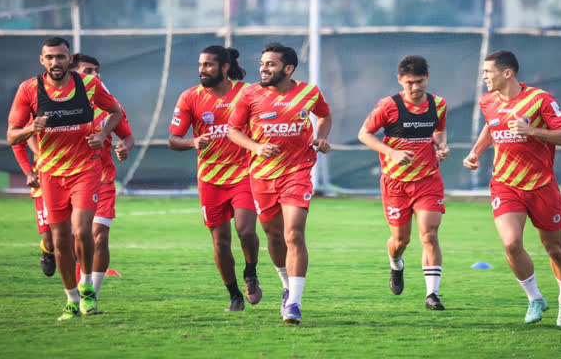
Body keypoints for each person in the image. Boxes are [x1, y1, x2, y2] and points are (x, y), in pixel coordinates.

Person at [7, 37, 123, 321]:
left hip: (86, 169)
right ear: (42, 60)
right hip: (50, 174)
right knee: (60, 241)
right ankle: (71, 300)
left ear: (69, 58)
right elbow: (11, 135)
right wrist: (31, 128)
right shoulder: (29, 89)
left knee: (82, 230)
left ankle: (86, 287)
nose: (55, 62)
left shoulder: (89, 84)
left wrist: (103, 134)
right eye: (50, 57)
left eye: (61, 57)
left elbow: (116, 112)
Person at [463, 50, 561, 327]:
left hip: (542, 186)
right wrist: (476, 151)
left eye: (487, 72)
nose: (484, 77)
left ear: (507, 73)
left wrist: (532, 132)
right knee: (511, 243)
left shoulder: (539, 99)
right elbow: (492, 127)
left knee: (555, 250)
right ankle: (535, 298)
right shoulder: (487, 101)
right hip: (505, 184)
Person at [227, 43, 332, 325]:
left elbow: (324, 114)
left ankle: (295, 303)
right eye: (262, 63)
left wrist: (320, 137)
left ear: (288, 69)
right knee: (274, 237)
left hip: (298, 171)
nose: (263, 68)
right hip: (262, 176)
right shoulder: (249, 94)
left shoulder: (309, 92)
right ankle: (286, 287)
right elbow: (233, 130)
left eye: (271, 64)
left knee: (294, 234)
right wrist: (256, 147)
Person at [168, 45, 262, 312]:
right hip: (210, 179)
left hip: (244, 173)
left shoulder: (246, 92)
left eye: (208, 65)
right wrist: (193, 142)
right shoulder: (189, 97)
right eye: (200, 65)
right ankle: (234, 295)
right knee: (220, 241)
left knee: (245, 230)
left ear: (224, 68)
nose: (202, 70)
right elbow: (173, 140)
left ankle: (251, 272)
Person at [358, 55, 450, 310]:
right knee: (401, 241)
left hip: (428, 180)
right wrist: (392, 152)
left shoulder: (438, 104)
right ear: (400, 80)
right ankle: (395, 263)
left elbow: (439, 130)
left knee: (429, 235)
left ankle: (432, 295)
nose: (415, 87)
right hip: (396, 184)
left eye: (420, 81)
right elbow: (364, 134)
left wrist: (441, 145)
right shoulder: (389, 106)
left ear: (427, 78)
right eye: (410, 82)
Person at [69, 53, 135, 300]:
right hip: (67, 180)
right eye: (88, 71)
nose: (95, 76)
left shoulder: (109, 106)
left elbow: (127, 136)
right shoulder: (60, 106)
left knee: (98, 235)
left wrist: (124, 148)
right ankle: (59, 261)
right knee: (72, 238)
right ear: (73, 74)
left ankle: (90, 296)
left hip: (103, 179)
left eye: (97, 71)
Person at [11, 134, 55, 277]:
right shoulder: (37, 117)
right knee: (51, 242)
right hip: (43, 182)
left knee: (77, 236)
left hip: (74, 181)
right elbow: (17, 143)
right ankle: (47, 251)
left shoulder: (77, 115)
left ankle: (81, 289)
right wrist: (29, 172)